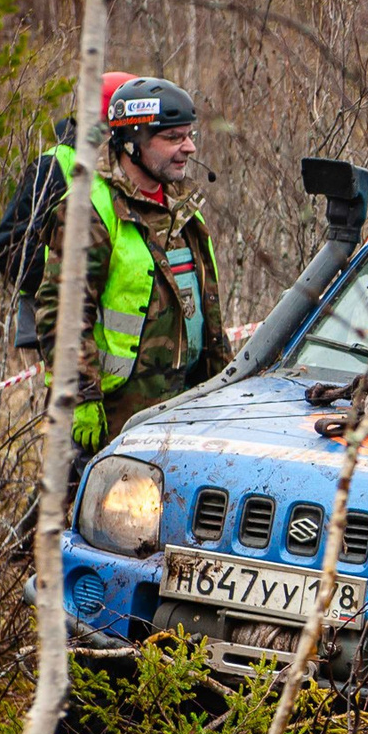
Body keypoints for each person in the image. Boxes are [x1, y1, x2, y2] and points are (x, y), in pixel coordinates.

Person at [39, 75, 230, 455]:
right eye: (174, 138)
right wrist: (82, 397)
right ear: (132, 142)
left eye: (189, 135)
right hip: (114, 414)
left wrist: (224, 386)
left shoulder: (183, 205)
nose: (189, 148)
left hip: (185, 407)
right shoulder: (90, 208)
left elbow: (205, 309)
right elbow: (61, 312)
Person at [0, 71, 136, 352]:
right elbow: (8, 247)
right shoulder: (53, 166)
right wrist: (65, 284)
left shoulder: (136, 168)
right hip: (66, 336)